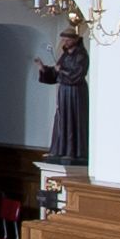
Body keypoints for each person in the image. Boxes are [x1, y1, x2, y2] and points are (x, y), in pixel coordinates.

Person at [36, 27, 90, 172]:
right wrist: (43, 68)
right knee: (62, 119)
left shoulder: (81, 55)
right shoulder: (65, 56)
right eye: (64, 40)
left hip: (75, 92)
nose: (65, 43)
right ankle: (60, 149)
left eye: (68, 40)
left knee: (73, 119)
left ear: (75, 40)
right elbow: (56, 73)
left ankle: (74, 151)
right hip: (64, 92)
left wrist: (62, 71)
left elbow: (77, 74)